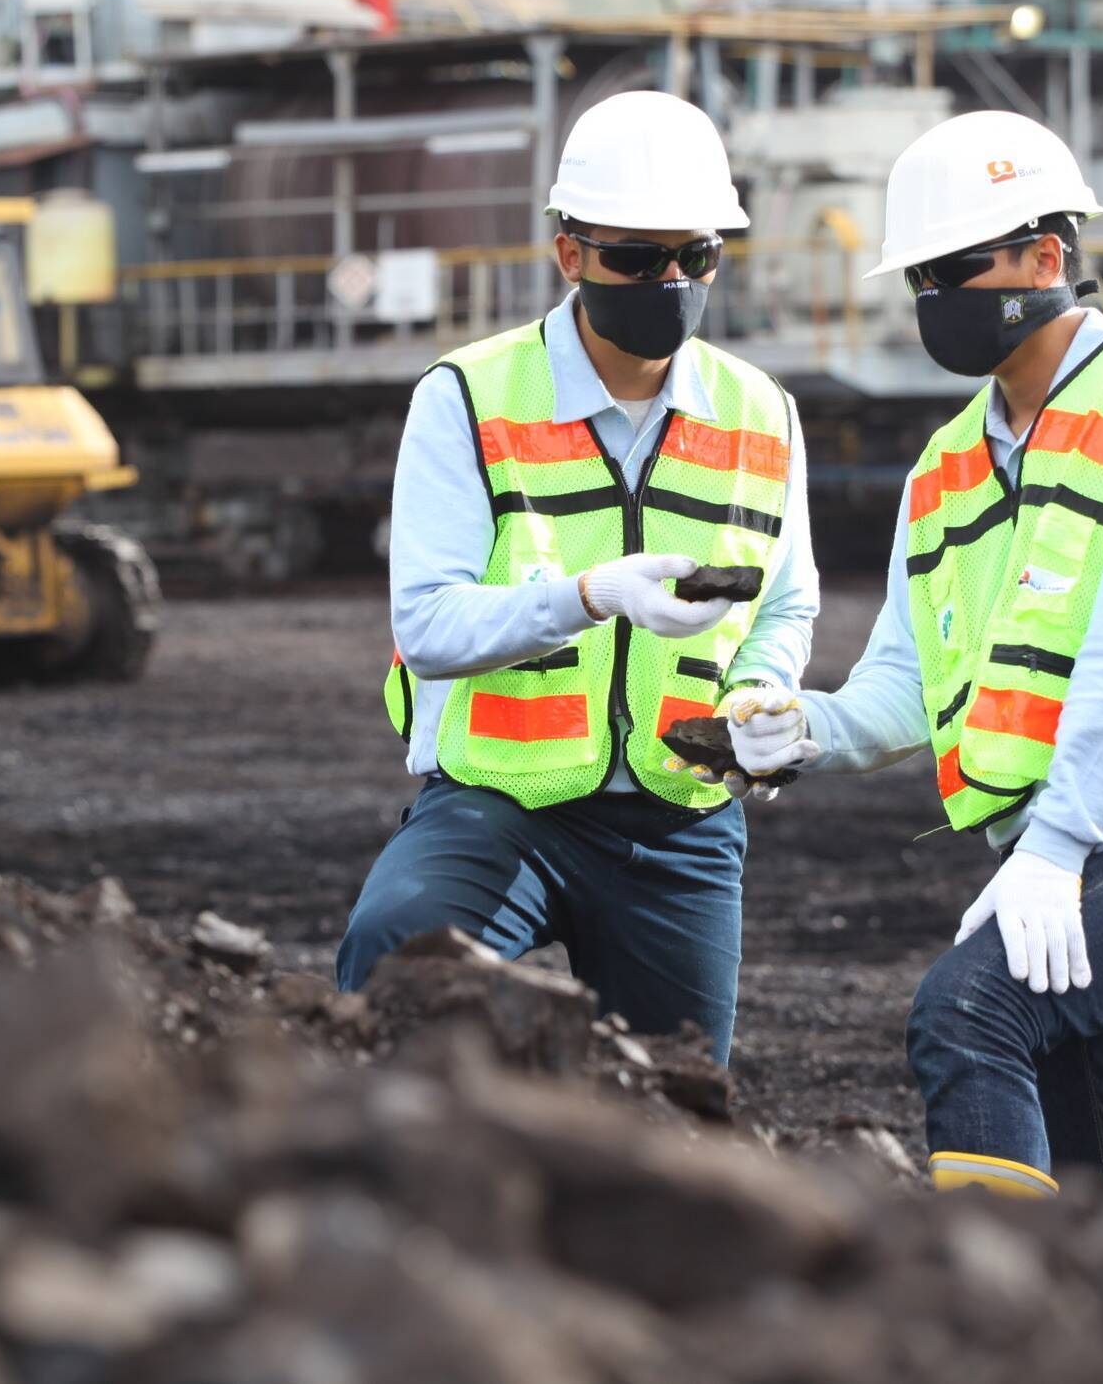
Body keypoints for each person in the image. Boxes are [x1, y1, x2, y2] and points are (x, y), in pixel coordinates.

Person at [710, 110, 1103, 1246]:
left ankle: (1005, 1334)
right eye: (920, 274)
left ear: (1045, 254)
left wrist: (1057, 844)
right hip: (1062, 845)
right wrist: (798, 730)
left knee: (969, 1011)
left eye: (956, 267)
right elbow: (901, 684)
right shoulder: (941, 467)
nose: (935, 295)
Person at [338, 90, 819, 1065]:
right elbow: (427, 624)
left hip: (676, 819)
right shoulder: (468, 397)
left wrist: (763, 689)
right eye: (637, 258)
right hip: (497, 803)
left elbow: (785, 597)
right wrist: (589, 594)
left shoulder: (758, 412)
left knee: (683, 1104)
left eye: (697, 256)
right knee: (394, 956)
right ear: (570, 253)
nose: (670, 279)